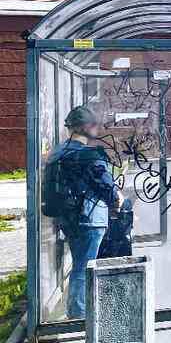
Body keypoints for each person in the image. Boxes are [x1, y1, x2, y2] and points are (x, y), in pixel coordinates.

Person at [44, 106, 120, 319]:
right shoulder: (88, 154)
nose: (96, 128)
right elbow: (105, 185)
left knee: (80, 262)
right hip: (89, 219)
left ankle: (79, 309)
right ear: (84, 127)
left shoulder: (58, 151)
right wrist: (118, 200)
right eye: (93, 124)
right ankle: (78, 314)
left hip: (68, 218)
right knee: (84, 266)